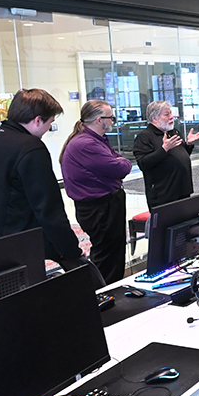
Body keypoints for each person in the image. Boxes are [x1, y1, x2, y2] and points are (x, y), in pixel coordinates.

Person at [0, 88, 85, 267]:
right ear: (37, 120)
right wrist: (70, 250)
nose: (48, 129)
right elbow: (48, 208)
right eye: (49, 123)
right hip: (14, 247)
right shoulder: (31, 148)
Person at [60, 100, 132, 284]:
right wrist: (121, 162)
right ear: (100, 120)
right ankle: (103, 294)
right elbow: (121, 167)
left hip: (105, 204)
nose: (113, 122)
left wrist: (119, 161)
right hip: (99, 208)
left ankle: (110, 290)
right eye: (111, 118)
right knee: (107, 254)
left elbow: (117, 161)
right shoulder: (85, 144)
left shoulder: (95, 139)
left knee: (113, 251)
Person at [133, 100, 199, 210]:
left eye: (171, 113)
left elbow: (181, 155)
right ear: (154, 118)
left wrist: (188, 144)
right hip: (163, 194)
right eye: (167, 114)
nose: (171, 117)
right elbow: (143, 163)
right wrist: (164, 149)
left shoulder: (173, 132)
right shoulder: (144, 137)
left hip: (182, 188)